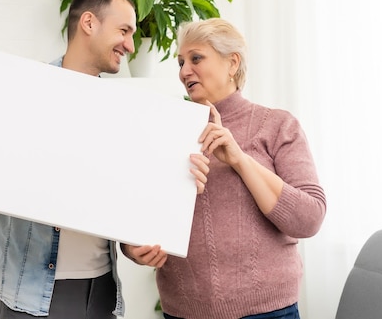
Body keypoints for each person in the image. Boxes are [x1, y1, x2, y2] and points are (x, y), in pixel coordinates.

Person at [0, 0, 210, 319]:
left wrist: (136, 247)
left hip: (101, 293)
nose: (131, 45)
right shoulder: (18, 92)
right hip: (26, 291)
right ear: (89, 23)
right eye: (124, 30)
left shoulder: (126, 114)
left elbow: (120, 200)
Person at [122, 18, 327, 319]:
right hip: (183, 312)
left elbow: (309, 219)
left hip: (267, 313)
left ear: (233, 63)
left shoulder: (278, 125)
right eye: (180, 62)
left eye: (196, 58)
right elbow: (133, 212)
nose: (183, 71)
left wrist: (239, 160)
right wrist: (132, 247)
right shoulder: (165, 130)